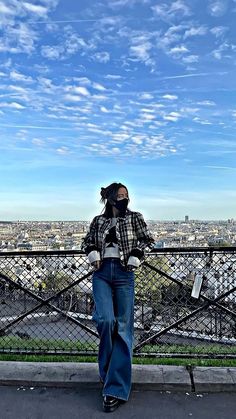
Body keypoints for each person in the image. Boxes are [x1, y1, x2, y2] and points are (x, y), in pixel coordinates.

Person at [81, 182, 154, 413]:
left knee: (123, 327)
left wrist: (136, 255)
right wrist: (92, 254)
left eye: (126, 195)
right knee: (105, 321)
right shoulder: (98, 221)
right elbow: (87, 241)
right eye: (120, 196)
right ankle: (108, 372)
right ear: (110, 199)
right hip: (101, 272)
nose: (124, 199)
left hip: (124, 272)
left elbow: (148, 241)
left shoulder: (135, 218)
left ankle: (114, 388)